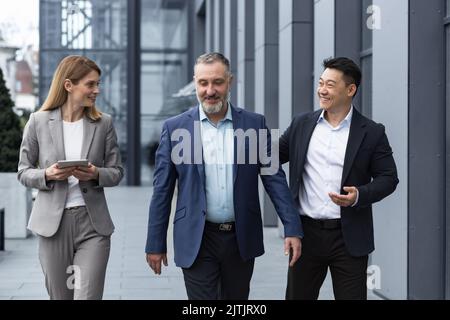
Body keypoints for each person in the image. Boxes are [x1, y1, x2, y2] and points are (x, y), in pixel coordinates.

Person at [145, 52, 303, 300]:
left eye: (217, 82)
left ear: (230, 81)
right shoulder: (175, 128)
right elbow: (162, 191)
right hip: (197, 237)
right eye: (203, 83)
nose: (210, 90)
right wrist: (155, 242)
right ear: (195, 82)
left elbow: (274, 179)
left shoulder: (255, 124)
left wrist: (292, 228)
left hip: (240, 238)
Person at [280, 57, 399, 300]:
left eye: (330, 85)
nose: (322, 90)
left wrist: (359, 195)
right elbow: (269, 157)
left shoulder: (372, 132)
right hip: (306, 234)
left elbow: (389, 178)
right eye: (321, 83)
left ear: (350, 89)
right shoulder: (301, 124)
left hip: (349, 238)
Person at [18, 55, 124, 300]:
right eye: (90, 84)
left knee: (87, 296)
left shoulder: (103, 123)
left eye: (98, 84)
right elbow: (23, 171)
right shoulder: (38, 122)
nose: (96, 90)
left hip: (93, 225)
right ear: (68, 85)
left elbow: (117, 171)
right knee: (61, 296)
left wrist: (96, 173)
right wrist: (47, 174)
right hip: (53, 227)